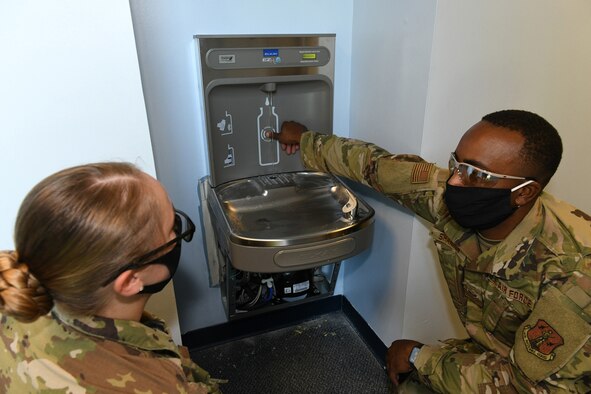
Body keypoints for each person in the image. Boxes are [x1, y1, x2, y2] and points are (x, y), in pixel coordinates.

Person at [268, 110, 591, 393]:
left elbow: (530, 387)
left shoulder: (575, 273)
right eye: (457, 163)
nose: (455, 182)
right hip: (497, 355)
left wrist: (417, 356)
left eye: (477, 174)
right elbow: (376, 167)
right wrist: (307, 139)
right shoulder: (453, 194)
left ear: (525, 192)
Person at [0, 162, 222, 393]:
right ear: (130, 281)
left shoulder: (17, 297)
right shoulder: (153, 386)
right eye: (172, 230)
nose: (177, 233)